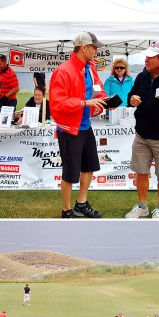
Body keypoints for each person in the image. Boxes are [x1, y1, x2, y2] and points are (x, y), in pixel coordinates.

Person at [49, 31, 107, 218]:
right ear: (84, 47)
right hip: (69, 128)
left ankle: (81, 204)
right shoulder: (63, 71)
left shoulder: (90, 68)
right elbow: (57, 104)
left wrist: (104, 100)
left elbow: (97, 90)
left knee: (89, 166)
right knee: (70, 172)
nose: (97, 50)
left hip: (85, 125)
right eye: (94, 47)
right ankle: (66, 210)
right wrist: (84, 103)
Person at [125, 41, 159, 219]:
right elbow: (131, 96)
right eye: (146, 56)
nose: (146, 60)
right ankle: (142, 206)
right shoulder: (142, 77)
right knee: (141, 171)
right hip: (142, 134)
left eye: (151, 57)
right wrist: (132, 99)